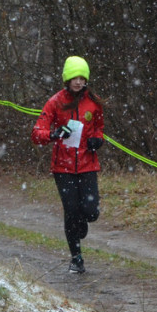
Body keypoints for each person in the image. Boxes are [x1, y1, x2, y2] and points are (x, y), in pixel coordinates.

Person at [31, 56, 106, 274]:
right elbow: (37, 133)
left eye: (82, 77)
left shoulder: (94, 102)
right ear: (67, 78)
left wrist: (97, 140)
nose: (78, 81)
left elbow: (99, 126)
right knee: (71, 211)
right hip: (62, 168)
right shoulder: (55, 102)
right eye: (74, 77)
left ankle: (82, 223)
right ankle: (77, 258)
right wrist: (53, 134)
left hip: (88, 165)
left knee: (91, 212)